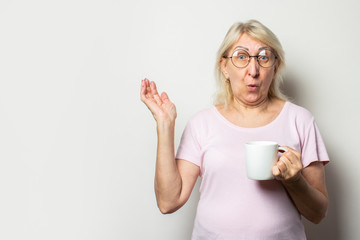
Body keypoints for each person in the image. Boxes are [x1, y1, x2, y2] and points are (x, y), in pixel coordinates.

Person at [140, 19, 329, 240]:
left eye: (263, 58)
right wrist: (165, 124)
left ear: (275, 67)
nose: (253, 70)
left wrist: (293, 180)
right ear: (224, 67)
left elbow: (318, 213)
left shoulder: (300, 120)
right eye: (241, 57)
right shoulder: (201, 124)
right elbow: (168, 202)